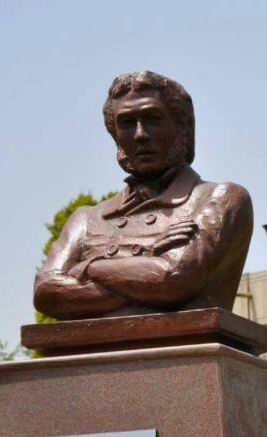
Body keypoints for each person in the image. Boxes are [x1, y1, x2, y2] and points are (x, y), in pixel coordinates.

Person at [34, 70, 253, 320]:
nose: (140, 134)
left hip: (181, 341)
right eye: (127, 122)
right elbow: (46, 292)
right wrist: (146, 266)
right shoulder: (86, 219)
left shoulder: (222, 198)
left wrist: (88, 267)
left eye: (152, 118)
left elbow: (172, 279)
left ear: (182, 126)